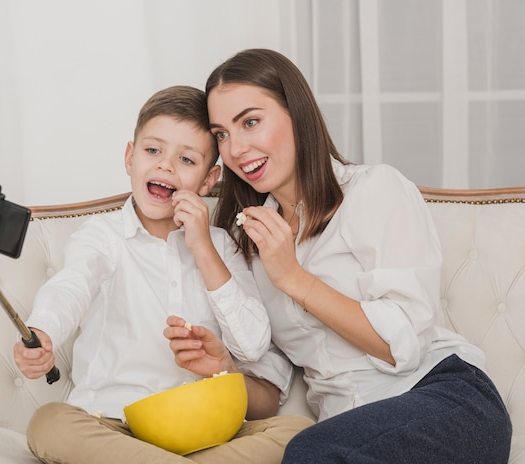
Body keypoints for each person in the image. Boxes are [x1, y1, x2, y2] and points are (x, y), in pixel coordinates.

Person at [166, 49, 512, 463]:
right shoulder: (252, 241)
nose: (237, 148)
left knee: (312, 451)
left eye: (251, 122)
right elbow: (271, 393)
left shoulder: (373, 190)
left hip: (444, 398)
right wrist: (226, 369)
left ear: (297, 113)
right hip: (350, 430)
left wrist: (294, 278)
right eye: (222, 134)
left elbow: (402, 344)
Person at [13, 84, 313, 464]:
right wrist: (43, 331)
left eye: (187, 160)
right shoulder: (101, 237)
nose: (165, 166)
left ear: (208, 180)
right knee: (49, 422)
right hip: (114, 425)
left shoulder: (222, 246)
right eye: (153, 150)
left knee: (298, 434)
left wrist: (203, 248)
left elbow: (253, 346)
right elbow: (71, 286)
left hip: (208, 430)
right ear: (129, 157)